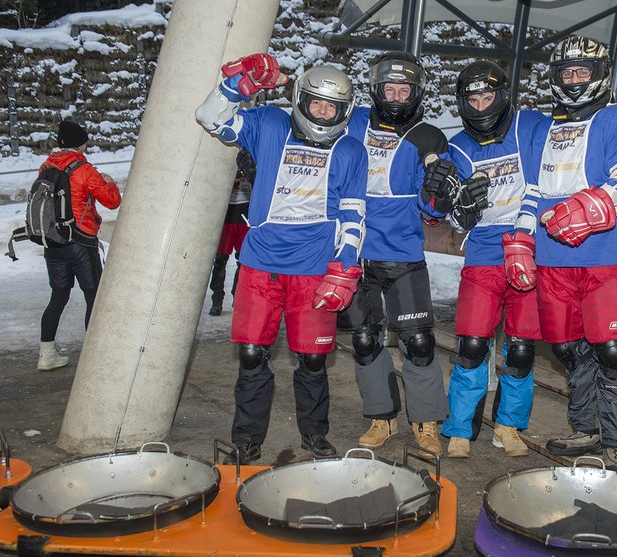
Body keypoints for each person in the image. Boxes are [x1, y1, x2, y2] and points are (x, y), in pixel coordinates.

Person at [196, 55, 367, 461]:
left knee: (312, 359)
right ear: (300, 100)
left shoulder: (351, 150)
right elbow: (209, 118)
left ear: (344, 111)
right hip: (260, 264)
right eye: (316, 104)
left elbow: (353, 211)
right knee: (253, 355)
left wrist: (346, 265)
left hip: (314, 269)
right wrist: (236, 88)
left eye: (333, 107)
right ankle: (247, 440)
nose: (323, 113)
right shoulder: (269, 124)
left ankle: (314, 435)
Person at [508, 35, 617, 468]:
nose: (572, 80)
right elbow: (532, 193)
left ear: (600, 75)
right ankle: (584, 429)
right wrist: (520, 241)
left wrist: (588, 206)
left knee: (612, 350)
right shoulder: (545, 131)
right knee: (568, 350)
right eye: (565, 73)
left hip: (604, 256)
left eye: (581, 72)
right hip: (553, 261)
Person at [341, 51, 458, 456]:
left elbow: (435, 212)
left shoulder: (428, 137)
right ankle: (382, 416)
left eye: (403, 88)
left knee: (420, 342)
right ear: (376, 89)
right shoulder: (351, 122)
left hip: (403, 255)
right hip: (354, 254)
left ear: (415, 92)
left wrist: (439, 193)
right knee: (364, 339)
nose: (395, 95)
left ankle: (426, 422)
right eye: (388, 87)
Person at [441, 61, 546, 459]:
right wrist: (460, 212)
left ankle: (509, 427)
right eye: (473, 99)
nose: (481, 106)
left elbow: (548, 178)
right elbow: (449, 211)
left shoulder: (530, 126)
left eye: (488, 97)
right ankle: (460, 429)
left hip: (530, 253)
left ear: (501, 97)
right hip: (484, 256)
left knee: (521, 349)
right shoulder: (457, 147)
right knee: (471, 345)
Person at [37, 120, 122, 372]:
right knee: (93, 296)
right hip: (80, 242)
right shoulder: (84, 169)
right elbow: (112, 201)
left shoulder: (46, 166)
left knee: (58, 296)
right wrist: (109, 182)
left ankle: (46, 354)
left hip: (52, 241)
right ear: (81, 143)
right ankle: (93, 358)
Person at [208, 149, 253, 316]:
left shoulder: (250, 160)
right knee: (220, 262)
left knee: (243, 263)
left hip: (245, 219)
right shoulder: (222, 162)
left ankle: (238, 298)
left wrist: (248, 179)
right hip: (226, 219)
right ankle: (217, 300)